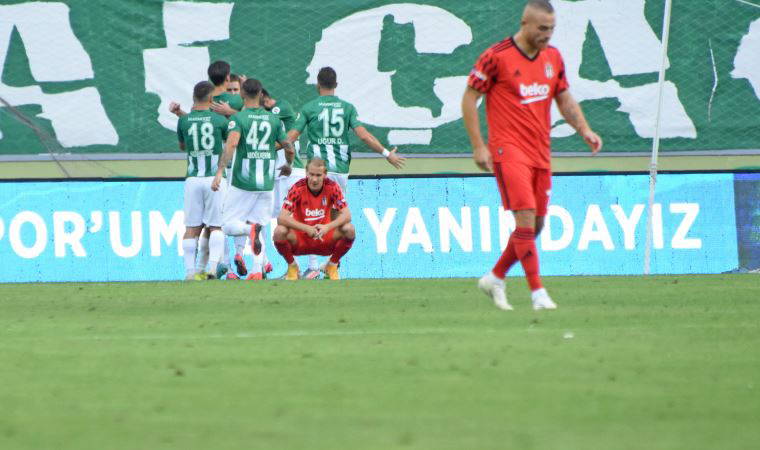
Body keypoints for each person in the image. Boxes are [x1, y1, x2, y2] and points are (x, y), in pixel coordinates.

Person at [461, 0, 602, 311]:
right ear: (524, 23)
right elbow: (469, 98)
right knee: (524, 217)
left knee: (535, 226)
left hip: (540, 152)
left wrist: (585, 130)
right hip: (508, 150)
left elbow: (563, 97)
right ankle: (538, 293)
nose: (547, 34)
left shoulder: (553, 57)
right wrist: (478, 145)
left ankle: (495, 277)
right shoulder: (496, 56)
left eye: (551, 28)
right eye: (542, 28)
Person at [286, 66, 405, 276]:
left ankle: (313, 266)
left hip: (317, 170)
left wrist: (271, 149)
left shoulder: (309, 108)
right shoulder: (347, 108)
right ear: (336, 85)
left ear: (317, 85)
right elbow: (364, 136)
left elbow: (292, 137)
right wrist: (387, 154)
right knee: (336, 218)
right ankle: (333, 263)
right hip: (340, 170)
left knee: (310, 214)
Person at [211, 78, 295, 280]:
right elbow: (289, 146)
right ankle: (257, 270)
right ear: (260, 94)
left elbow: (231, 144)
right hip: (266, 184)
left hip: (242, 183)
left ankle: (249, 230)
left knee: (227, 225)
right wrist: (288, 165)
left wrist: (220, 171)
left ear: (242, 94)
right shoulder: (274, 120)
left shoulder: (239, 119)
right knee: (259, 225)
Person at [177, 81, 230, 280]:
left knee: (191, 228)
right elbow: (229, 144)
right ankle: (213, 268)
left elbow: (183, 146)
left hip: (193, 179)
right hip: (215, 179)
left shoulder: (184, 121)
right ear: (211, 98)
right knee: (216, 226)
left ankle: (190, 272)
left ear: (193, 98)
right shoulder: (220, 121)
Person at [273, 157, 355, 281]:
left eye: (318, 175)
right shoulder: (297, 188)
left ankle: (332, 265)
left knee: (349, 229)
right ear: (306, 172)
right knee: (279, 231)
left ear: (325, 174)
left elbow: (347, 215)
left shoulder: (332, 187)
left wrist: (327, 227)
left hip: (325, 238)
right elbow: (282, 218)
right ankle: (293, 267)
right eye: (311, 174)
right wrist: (306, 228)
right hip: (300, 240)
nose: (314, 179)